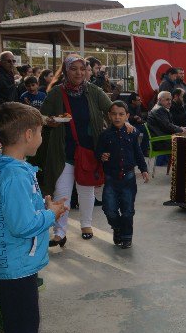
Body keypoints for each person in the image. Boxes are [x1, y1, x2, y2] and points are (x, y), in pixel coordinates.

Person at [0, 102, 68, 333]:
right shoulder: (14, 175)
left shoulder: (10, 169)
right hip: (16, 264)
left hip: (12, 260)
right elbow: (23, 225)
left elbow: (15, 212)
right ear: (28, 135)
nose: (41, 137)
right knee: (24, 328)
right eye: (40, 132)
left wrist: (43, 207)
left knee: (18, 321)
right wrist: (50, 214)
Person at [34, 54, 114, 245]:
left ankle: (86, 224)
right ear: (66, 71)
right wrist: (50, 122)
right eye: (73, 69)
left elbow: (111, 110)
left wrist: (120, 126)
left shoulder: (94, 91)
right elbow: (41, 117)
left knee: (86, 190)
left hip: (88, 151)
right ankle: (60, 232)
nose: (79, 72)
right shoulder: (55, 93)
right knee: (62, 192)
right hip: (63, 151)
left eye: (82, 68)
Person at [96, 101, 149, 249]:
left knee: (127, 211)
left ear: (127, 115)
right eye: (114, 114)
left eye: (121, 114)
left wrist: (143, 169)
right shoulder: (105, 135)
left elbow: (138, 153)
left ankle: (126, 237)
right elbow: (98, 152)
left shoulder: (132, 133)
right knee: (109, 209)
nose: (117, 117)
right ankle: (117, 228)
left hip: (128, 179)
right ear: (109, 115)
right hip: (111, 179)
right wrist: (102, 155)